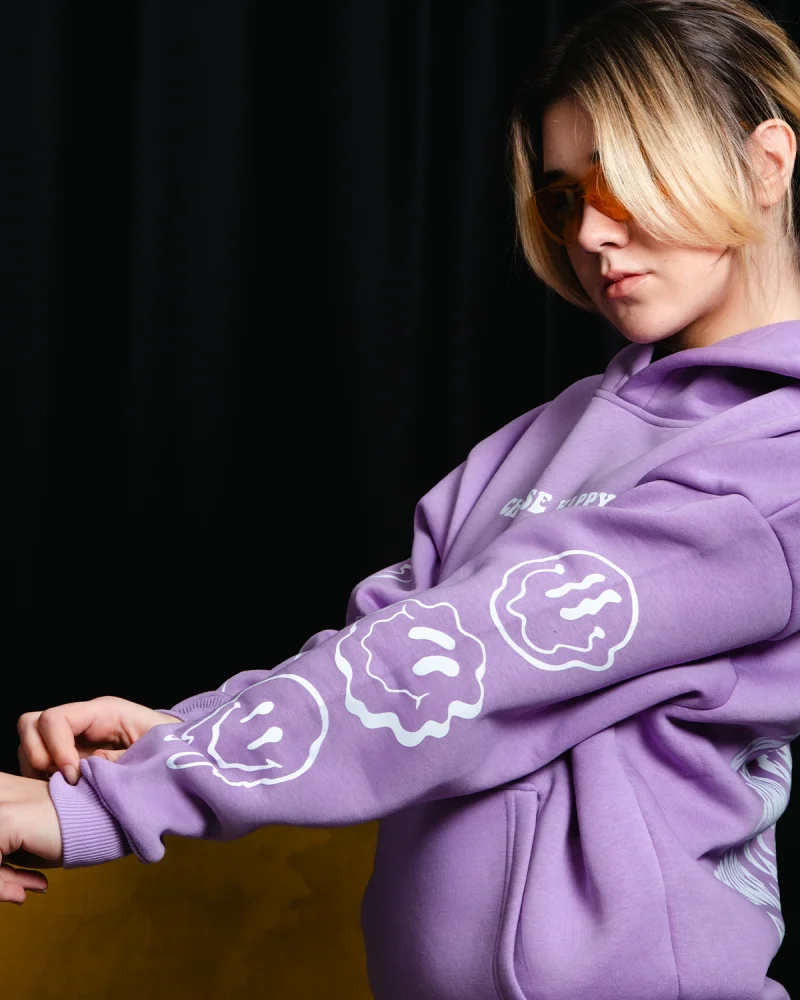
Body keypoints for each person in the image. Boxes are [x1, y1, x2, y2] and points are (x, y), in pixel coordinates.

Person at [3, 0, 800, 996]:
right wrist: (184, 731)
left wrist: (104, 807)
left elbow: (460, 661)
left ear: (765, 164)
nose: (592, 232)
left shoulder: (777, 466)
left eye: (622, 179)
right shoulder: (550, 432)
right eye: (563, 197)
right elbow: (384, 645)